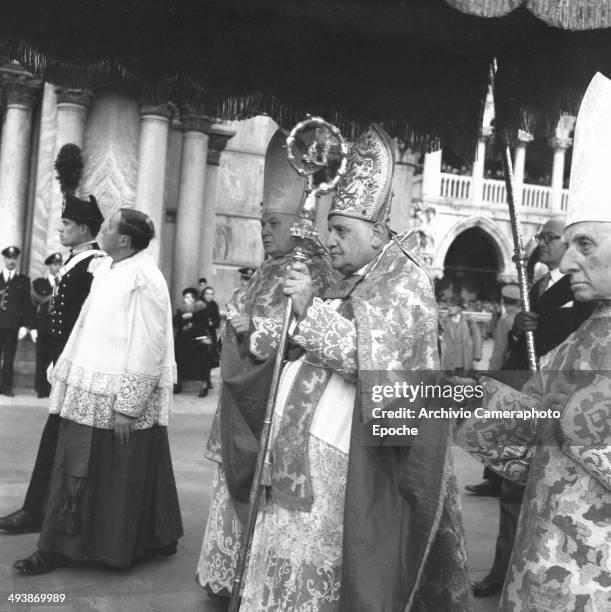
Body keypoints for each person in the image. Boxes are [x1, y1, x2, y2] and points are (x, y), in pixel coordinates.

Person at [239, 124, 473, 611]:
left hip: (361, 464)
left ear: (379, 232)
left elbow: (381, 369)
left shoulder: (404, 282)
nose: (333, 242)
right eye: (331, 230)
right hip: (305, 452)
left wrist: (309, 310)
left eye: (343, 231)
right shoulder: (352, 277)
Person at [457, 71, 611, 611]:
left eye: (584, 244)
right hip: (540, 570)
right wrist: (412, 400)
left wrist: (569, 420)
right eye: (566, 243)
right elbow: (524, 433)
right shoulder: (594, 324)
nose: (566, 260)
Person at [196, 129, 337, 598]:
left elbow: (290, 333)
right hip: (242, 397)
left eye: (271, 225)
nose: (264, 233)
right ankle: (224, 573)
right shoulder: (266, 268)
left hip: (273, 401)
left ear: (296, 224)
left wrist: (245, 328)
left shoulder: (306, 268)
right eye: (261, 226)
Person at [14, 208, 182, 575]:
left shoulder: (145, 277)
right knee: (71, 468)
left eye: (107, 226)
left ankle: (68, 548)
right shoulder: (107, 267)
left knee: (97, 473)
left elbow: (149, 344)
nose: (100, 229)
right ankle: (61, 546)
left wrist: (129, 405)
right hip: (86, 389)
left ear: (124, 239)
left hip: (114, 399)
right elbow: (87, 324)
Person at [471, 217, 596, 598]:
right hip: (525, 394)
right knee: (510, 492)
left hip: (560, 401)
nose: (542, 243)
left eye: (550, 237)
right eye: (540, 236)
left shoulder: (590, 290)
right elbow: (519, 343)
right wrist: (518, 327)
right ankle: (501, 569)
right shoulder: (539, 284)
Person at [0, 192, 104, 534]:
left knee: (62, 441)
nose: (61, 230)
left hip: (77, 366)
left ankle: (42, 512)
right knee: (54, 438)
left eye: (67, 224)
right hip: (63, 363)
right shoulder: (75, 260)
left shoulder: (95, 263)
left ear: (84, 228)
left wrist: (68, 359)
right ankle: (37, 509)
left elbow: (89, 320)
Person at [0, 245, 33, 396]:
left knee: (9, 358)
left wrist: (25, 325)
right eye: (9, 258)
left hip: (13, 326)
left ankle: (6, 388)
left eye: (14, 258)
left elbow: (27, 304)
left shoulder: (24, 280)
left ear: (17, 259)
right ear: (4, 259)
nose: (11, 261)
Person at [31, 253, 63, 398]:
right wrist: (32, 327)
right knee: (41, 358)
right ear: (49, 266)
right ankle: (40, 388)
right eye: (55, 264)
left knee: (54, 358)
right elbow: (32, 306)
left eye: (59, 264)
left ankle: (50, 388)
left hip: (57, 328)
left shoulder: (63, 283)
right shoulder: (39, 283)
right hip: (42, 327)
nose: (57, 267)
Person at [173, 287, 214, 397]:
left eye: (189, 297)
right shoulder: (182, 309)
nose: (187, 299)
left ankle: (204, 386)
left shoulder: (202, 308)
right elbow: (175, 321)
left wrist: (192, 316)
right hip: (183, 341)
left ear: (194, 298)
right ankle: (178, 384)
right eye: (185, 297)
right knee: (181, 362)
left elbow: (204, 321)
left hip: (197, 340)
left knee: (201, 363)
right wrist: (183, 317)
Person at [440, 295, 482, 376]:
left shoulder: (469, 321)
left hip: (464, 363)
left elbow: (477, 340)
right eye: (448, 305)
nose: (449, 308)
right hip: (447, 363)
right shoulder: (442, 321)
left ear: (459, 308)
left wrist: (476, 358)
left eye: (452, 306)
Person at [200, 285, 221, 384]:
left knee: (209, 358)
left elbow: (217, 320)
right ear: (203, 294)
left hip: (211, 334)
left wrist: (212, 323)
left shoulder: (214, 305)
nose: (209, 296)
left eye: (211, 294)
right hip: (201, 334)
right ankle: (204, 380)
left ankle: (207, 380)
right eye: (207, 294)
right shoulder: (200, 304)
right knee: (202, 357)